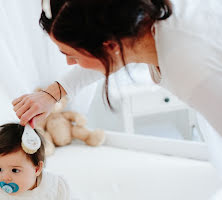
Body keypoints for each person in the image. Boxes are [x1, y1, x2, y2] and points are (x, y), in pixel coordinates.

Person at [12, 0, 222, 140]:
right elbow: (104, 58)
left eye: (72, 55)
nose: (69, 63)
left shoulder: (190, 68)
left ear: (110, 46)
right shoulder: (140, 25)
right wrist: (51, 94)